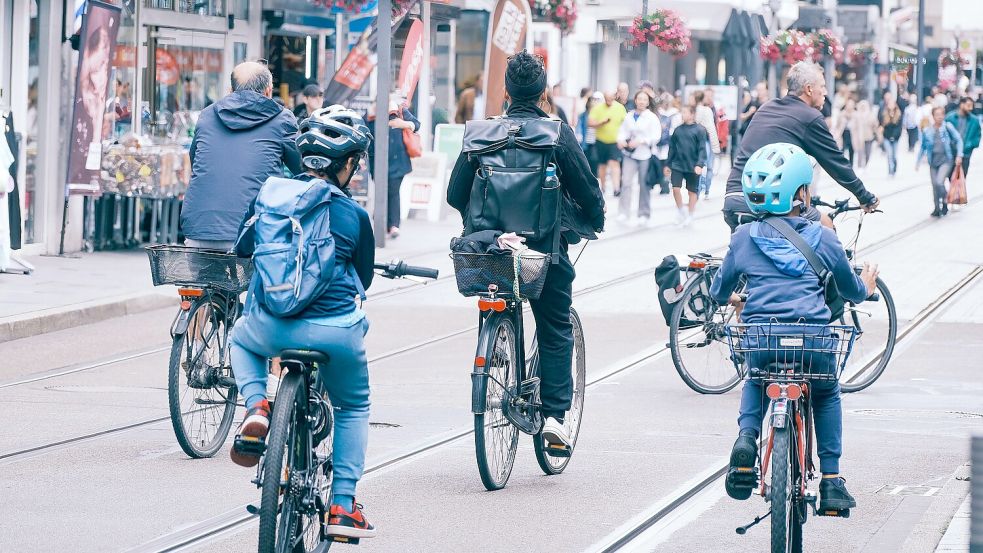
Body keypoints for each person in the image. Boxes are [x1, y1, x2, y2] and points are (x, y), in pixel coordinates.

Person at [228, 105, 378, 540]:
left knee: (242, 340)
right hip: (334, 333)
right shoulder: (353, 214)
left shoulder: (270, 198)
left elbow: (242, 250)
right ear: (347, 165)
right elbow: (363, 276)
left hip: (270, 327)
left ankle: (256, 406)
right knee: (353, 405)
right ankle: (342, 506)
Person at [447, 50, 606, 450]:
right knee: (554, 327)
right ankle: (554, 417)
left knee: (496, 298)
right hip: (543, 252)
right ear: (543, 93)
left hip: (491, 252)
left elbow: (453, 195)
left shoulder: (480, 134)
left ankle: (495, 352)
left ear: (506, 91)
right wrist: (595, 218)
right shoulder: (556, 132)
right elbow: (587, 189)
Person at [711, 142, 878, 513]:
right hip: (813, 343)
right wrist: (866, 285)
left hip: (763, 339)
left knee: (756, 377)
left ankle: (746, 440)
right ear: (801, 193)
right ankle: (832, 480)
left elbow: (718, 291)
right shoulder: (825, 236)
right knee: (826, 390)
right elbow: (851, 291)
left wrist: (738, 298)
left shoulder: (742, 238)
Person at [722, 62, 879, 234]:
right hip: (767, 201)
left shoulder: (767, 107)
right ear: (809, 89)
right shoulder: (810, 117)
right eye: (823, 86)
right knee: (825, 227)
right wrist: (864, 197)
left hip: (734, 198)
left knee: (743, 251)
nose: (826, 92)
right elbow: (836, 163)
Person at [180, 61, 303, 250]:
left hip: (199, 229)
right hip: (253, 231)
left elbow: (195, 159)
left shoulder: (206, 115)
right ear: (269, 91)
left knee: (207, 277)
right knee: (259, 277)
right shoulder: (282, 119)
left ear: (230, 90)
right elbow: (301, 168)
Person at [367, 93, 420, 239]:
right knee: (381, 191)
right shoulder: (370, 115)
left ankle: (393, 225)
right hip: (377, 162)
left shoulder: (399, 111)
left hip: (398, 161)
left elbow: (417, 124)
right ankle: (383, 223)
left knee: (393, 191)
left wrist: (402, 124)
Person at [616, 90, 661, 225]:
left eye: (644, 99)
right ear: (635, 100)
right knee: (626, 183)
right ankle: (623, 212)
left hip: (645, 154)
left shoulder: (652, 117)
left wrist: (642, 141)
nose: (641, 102)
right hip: (629, 154)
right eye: (639, 99)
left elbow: (656, 136)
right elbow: (622, 131)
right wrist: (621, 140)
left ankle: (644, 213)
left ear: (647, 102)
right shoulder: (629, 115)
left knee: (644, 184)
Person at [917, 107, 963, 217]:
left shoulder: (947, 127)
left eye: (941, 114)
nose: (940, 117)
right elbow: (923, 147)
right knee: (934, 185)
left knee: (939, 182)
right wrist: (917, 162)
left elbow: (959, 140)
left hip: (946, 160)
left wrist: (959, 155)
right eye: (937, 114)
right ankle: (937, 208)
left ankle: (946, 200)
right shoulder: (928, 130)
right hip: (933, 162)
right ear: (933, 116)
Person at [665, 104, 707, 226]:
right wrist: (668, 164)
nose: (682, 115)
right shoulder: (678, 130)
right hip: (678, 164)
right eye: (682, 112)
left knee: (692, 191)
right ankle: (680, 210)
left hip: (693, 165)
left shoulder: (700, 130)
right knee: (675, 188)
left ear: (692, 114)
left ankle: (691, 214)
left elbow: (702, 149)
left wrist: (700, 164)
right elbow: (672, 148)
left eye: (685, 112)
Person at [588, 92, 628, 195]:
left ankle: (616, 188)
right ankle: (603, 186)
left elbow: (626, 124)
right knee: (602, 165)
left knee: (614, 163)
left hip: (615, 141)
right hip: (601, 141)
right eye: (607, 99)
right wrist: (602, 123)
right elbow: (590, 123)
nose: (609, 101)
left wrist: (623, 138)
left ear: (614, 97)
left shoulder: (620, 108)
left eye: (611, 98)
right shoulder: (597, 108)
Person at [650, 95, 681, 195]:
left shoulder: (662, 113)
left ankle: (664, 185)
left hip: (665, 145)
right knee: (664, 165)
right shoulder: (671, 113)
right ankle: (664, 185)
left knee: (664, 165)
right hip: (665, 144)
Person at [693, 90, 721, 199]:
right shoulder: (706, 110)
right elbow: (711, 128)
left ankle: (703, 190)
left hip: (708, 140)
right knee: (705, 166)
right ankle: (702, 189)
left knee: (707, 167)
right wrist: (715, 146)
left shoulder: (714, 109)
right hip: (706, 141)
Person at [945, 96, 981, 177]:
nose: (970, 108)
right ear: (961, 104)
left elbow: (978, 136)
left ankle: (959, 190)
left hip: (966, 153)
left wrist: (970, 145)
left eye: (972, 106)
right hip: (951, 152)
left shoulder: (974, 120)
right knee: (950, 176)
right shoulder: (950, 117)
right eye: (968, 105)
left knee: (962, 176)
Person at [577, 92, 602, 176]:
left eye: (596, 100)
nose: (594, 102)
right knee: (586, 162)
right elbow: (579, 127)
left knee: (594, 161)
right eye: (593, 100)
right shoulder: (583, 115)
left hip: (596, 142)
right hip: (586, 143)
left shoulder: (600, 114)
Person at [878, 94, 903, 177]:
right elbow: (881, 124)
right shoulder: (884, 114)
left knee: (894, 155)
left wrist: (895, 136)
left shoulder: (899, 114)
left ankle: (894, 168)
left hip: (895, 138)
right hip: (887, 137)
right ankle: (890, 171)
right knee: (889, 154)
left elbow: (899, 128)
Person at [832, 98, 857, 167]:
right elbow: (837, 125)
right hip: (843, 133)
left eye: (851, 104)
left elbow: (858, 127)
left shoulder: (856, 115)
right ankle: (842, 165)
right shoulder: (841, 114)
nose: (850, 106)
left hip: (852, 134)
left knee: (851, 151)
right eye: (848, 104)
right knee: (842, 150)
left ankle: (851, 166)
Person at [854, 100, 878, 170]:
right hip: (859, 137)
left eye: (864, 106)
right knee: (860, 152)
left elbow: (875, 124)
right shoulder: (857, 115)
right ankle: (860, 166)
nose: (863, 107)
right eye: (862, 106)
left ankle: (866, 165)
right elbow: (854, 126)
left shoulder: (870, 114)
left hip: (869, 136)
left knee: (868, 152)